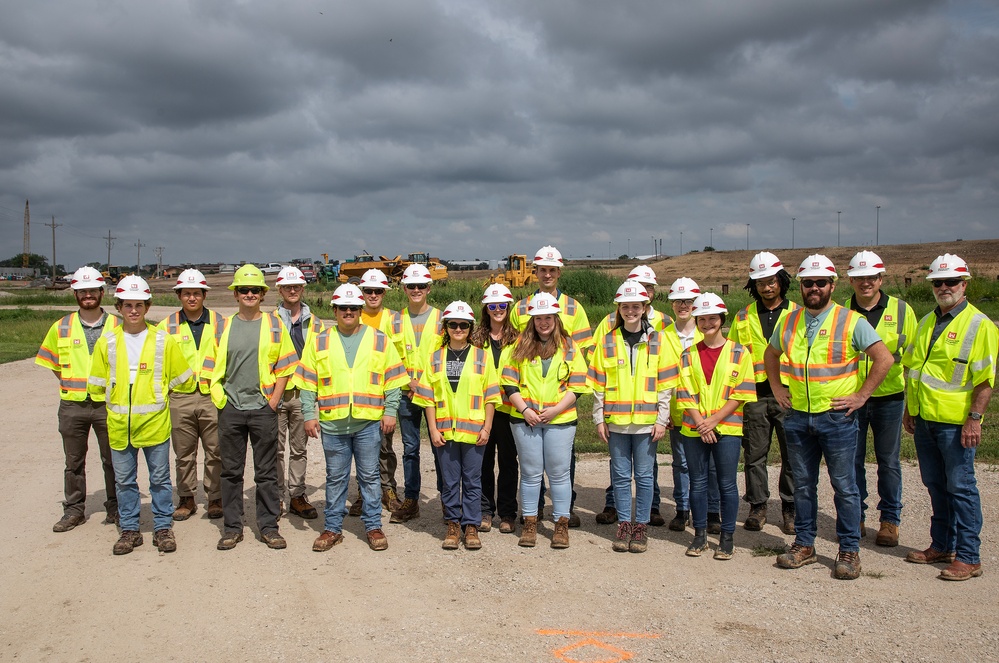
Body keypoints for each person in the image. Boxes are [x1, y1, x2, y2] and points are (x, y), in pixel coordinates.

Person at [766, 254, 893, 580]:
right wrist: (778, 388)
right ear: (802, 286)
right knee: (804, 486)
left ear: (832, 285)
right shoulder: (790, 320)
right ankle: (805, 544)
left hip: (836, 419)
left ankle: (849, 550)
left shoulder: (850, 321)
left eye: (820, 282)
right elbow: (771, 354)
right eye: (808, 282)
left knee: (845, 487)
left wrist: (862, 395)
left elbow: (883, 358)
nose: (814, 288)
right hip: (797, 417)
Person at [902, 253, 997, 581]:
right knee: (935, 484)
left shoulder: (978, 325)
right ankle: (942, 545)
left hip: (956, 423)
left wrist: (974, 418)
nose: (944, 287)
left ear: (964, 284)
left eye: (951, 282)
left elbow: (985, 380)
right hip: (925, 419)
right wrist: (910, 410)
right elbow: (914, 369)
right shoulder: (928, 321)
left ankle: (969, 557)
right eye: (938, 282)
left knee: (960, 486)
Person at [88, 275, 196, 555]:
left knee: (159, 480)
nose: (133, 310)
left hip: (154, 424)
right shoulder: (107, 342)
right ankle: (130, 530)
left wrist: (158, 392)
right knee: (124, 481)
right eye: (127, 305)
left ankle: (162, 528)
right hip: (120, 425)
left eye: (139, 305)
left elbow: (184, 378)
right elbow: (97, 384)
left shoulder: (163, 340)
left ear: (147, 307)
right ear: (119, 307)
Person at [296, 284, 408, 552]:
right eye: (343, 308)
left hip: (367, 423)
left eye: (353, 308)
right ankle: (332, 528)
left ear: (360, 311)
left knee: (369, 477)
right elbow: (307, 382)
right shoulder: (320, 340)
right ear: (334, 310)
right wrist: (309, 415)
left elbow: (393, 380)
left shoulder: (379, 339)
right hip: (333, 423)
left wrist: (390, 410)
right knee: (336, 477)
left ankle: (373, 526)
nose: (348, 312)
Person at [202, 264, 298, 551]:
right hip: (230, 408)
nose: (249, 294)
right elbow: (208, 369)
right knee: (231, 472)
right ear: (235, 294)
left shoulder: (273, 325)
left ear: (262, 294)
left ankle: (268, 527)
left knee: (266, 472)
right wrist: (221, 399)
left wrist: (273, 402)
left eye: (255, 290)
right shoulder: (222, 327)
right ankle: (232, 528)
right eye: (243, 289)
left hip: (262, 408)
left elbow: (285, 366)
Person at [589, 281, 678, 553]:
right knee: (619, 475)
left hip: (647, 423)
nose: (630, 311)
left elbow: (666, 386)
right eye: (625, 306)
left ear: (644, 308)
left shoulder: (658, 340)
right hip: (616, 422)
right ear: (619, 309)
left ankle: (640, 527)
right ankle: (624, 524)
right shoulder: (607, 341)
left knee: (643, 476)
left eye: (636, 306)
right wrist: (598, 419)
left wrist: (662, 420)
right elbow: (598, 386)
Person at [508, 245, 593, 527]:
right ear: (535, 272)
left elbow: (585, 351)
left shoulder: (573, 308)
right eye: (542, 269)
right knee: (530, 469)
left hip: (562, 399)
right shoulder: (520, 308)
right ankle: (534, 513)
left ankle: (563, 513)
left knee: (562, 465)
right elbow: (513, 351)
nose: (547, 274)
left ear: (558, 272)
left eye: (552, 269)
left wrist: (566, 398)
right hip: (527, 403)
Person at [36, 266, 120, 532]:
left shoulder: (117, 325)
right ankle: (74, 510)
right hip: (73, 405)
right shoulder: (61, 326)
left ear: (101, 292)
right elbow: (52, 362)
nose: (88, 295)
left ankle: (116, 507)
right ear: (75, 294)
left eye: (92, 290)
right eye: (82, 291)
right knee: (73, 461)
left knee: (113, 459)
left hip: (108, 404)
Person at [413, 301, 500, 550]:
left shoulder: (482, 357)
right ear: (446, 327)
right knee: (450, 482)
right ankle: (453, 523)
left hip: (474, 432)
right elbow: (427, 398)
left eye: (463, 325)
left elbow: (491, 396)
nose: (458, 328)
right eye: (453, 324)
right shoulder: (435, 358)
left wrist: (487, 428)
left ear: (470, 328)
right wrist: (431, 429)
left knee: (472, 481)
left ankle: (471, 526)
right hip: (444, 431)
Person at [676, 293, 756, 560]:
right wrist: (702, 423)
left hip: (727, 429)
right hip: (694, 428)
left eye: (713, 318)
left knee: (727, 484)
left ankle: (727, 538)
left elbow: (741, 392)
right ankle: (699, 537)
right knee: (697, 484)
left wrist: (713, 421)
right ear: (696, 321)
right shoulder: (688, 354)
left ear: (723, 319)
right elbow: (683, 391)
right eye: (702, 319)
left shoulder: (739, 352)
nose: (707, 323)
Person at [845, 251, 915, 547]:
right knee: (853, 460)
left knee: (888, 461)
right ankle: (855, 516)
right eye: (860, 278)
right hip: (851, 398)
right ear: (851, 280)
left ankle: (889, 520)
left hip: (888, 397)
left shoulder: (901, 311)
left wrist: (910, 403)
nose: (866, 283)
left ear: (881, 279)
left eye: (871, 277)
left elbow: (912, 361)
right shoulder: (841, 311)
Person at [727, 252, 798, 534]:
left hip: (790, 393)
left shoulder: (798, 314)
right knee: (755, 454)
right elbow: (732, 356)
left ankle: (790, 507)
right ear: (753, 285)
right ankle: (758, 506)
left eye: (771, 282)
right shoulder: (743, 316)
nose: (767, 288)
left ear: (781, 281)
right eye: (760, 283)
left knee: (792, 453)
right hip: (754, 394)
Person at [157, 268, 226, 522]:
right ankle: (186, 498)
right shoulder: (166, 327)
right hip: (180, 397)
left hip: (211, 396)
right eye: (187, 293)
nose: (192, 298)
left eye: (197, 293)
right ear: (179, 295)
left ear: (204, 295)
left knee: (215, 451)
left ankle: (215, 497)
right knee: (184, 452)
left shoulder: (221, 323)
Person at [663, 277, 720, 532]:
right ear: (672, 305)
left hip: (708, 411)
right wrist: (663, 411)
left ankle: (711, 512)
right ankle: (682, 509)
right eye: (678, 301)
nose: (683, 305)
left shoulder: (707, 332)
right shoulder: (662, 337)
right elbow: (657, 375)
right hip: (677, 411)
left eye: (688, 301)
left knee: (711, 465)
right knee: (681, 463)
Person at [349, 268, 405, 515]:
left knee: (384, 445)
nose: (373, 295)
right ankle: (364, 493)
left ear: (385, 293)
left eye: (378, 291)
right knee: (362, 446)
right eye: (368, 291)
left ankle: (388, 489)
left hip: (383, 393)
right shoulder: (353, 317)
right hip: (358, 393)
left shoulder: (394, 320)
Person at [389, 264, 442, 524]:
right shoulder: (395, 320)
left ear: (429, 288)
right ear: (404, 289)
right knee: (410, 448)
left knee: (440, 447)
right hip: (405, 395)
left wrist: (426, 384)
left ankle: (447, 499)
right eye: (412, 286)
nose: (417, 290)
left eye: (421, 286)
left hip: (435, 395)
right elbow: (388, 357)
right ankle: (411, 500)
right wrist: (408, 383)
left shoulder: (442, 319)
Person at [273, 265, 324, 520]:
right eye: (287, 287)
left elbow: (323, 359)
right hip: (276, 393)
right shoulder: (269, 321)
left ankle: (296, 495)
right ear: (280, 289)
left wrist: (317, 390)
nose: (292, 290)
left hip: (303, 394)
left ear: (303, 289)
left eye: (296, 286)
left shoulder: (316, 323)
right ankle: (277, 496)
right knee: (275, 449)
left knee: (299, 448)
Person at [470, 283, 520, 534]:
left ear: (508, 307)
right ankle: (485, 510)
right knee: (484, 462)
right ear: (486, 309)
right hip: (484, 410)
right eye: (493, 305)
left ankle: (508, 512)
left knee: (509, 463)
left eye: (502, 305)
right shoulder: (476, 339)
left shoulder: (520, 339)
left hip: (511, 411)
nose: (498, 309)